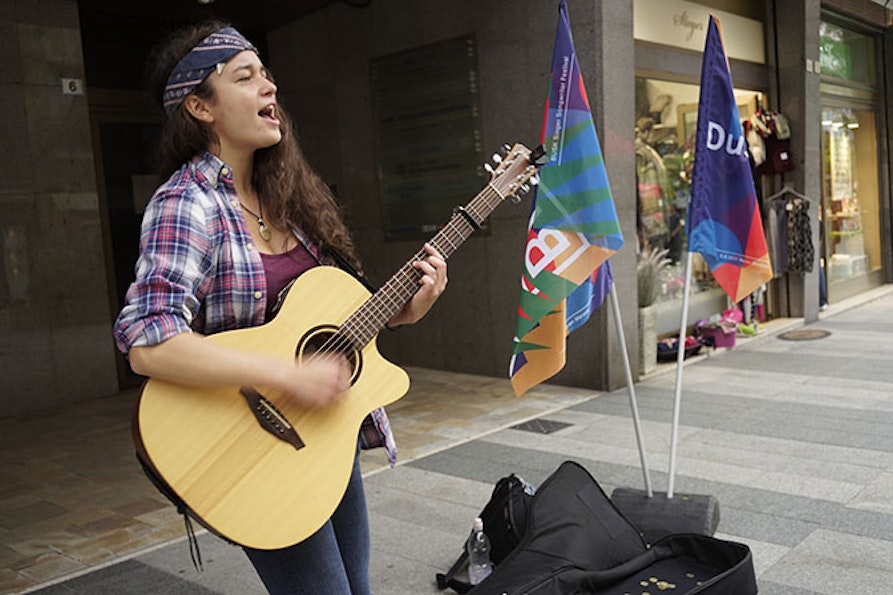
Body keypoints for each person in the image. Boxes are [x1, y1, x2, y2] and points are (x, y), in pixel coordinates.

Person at [113, 21, 448, 595]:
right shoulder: (188, 204)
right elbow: (149, 341)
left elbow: (323, 318)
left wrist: (401, 311)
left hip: (323, 434)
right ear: (199, 106)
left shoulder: (287, 203)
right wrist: (285, 373)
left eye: (267, 76)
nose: (270, 89)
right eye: (246, 78)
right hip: (255, 447)